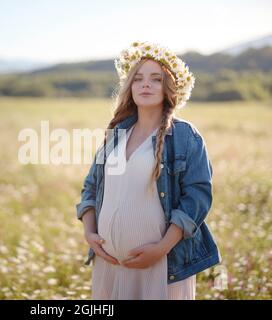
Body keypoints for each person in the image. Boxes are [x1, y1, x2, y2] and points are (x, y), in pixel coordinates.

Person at [76, 41, 222, 300]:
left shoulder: (184, 136)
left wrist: (161, 248)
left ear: (169, 89)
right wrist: (90, 233)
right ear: (129, 86)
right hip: (109, 265)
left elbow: (197, 197)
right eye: (138, 79)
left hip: (162, 265)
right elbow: (92, 186)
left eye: (156, 79)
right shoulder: (117, 134)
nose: (145, 84)